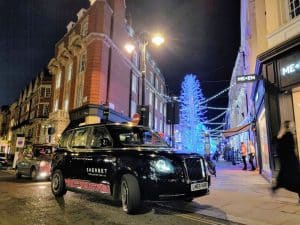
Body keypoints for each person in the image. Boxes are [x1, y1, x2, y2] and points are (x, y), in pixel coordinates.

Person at [272, 121, 300, 203]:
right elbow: (277, 144)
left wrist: (280, 136)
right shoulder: (287, 135)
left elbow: (282, 147)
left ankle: (276, 187)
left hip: (289, 162)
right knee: (294, 180)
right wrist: (280, 135)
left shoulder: (287, 135)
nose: (293, 127)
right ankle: (277, 186)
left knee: (293, 179)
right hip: (289, 163)